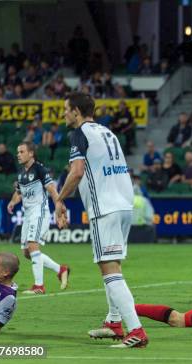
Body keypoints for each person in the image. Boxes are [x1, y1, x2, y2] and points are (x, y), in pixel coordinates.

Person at [55, 92, 148, 348]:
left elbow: (76, 172)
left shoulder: (79, 134)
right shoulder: (107, 132)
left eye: (65, 109)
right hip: (124, 205)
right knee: (112, 264)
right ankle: (114, 322)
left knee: (109, 268)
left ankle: (136, 331)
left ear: (76, 111)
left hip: (104, 207)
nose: (63, 114)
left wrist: (59, 199)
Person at [6, 142, 70, 294]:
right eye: (18, 152)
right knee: (27, 252)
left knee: (33, 244)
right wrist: (12, 202)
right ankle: (60, 269)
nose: (18, 155)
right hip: (28, 215)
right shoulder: (21, 173)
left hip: (39, 212)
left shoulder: (40, 170)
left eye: (21, 152)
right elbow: (19, 193)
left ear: (31, 153)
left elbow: (53, 190)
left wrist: (59, 209)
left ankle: (39, 286)